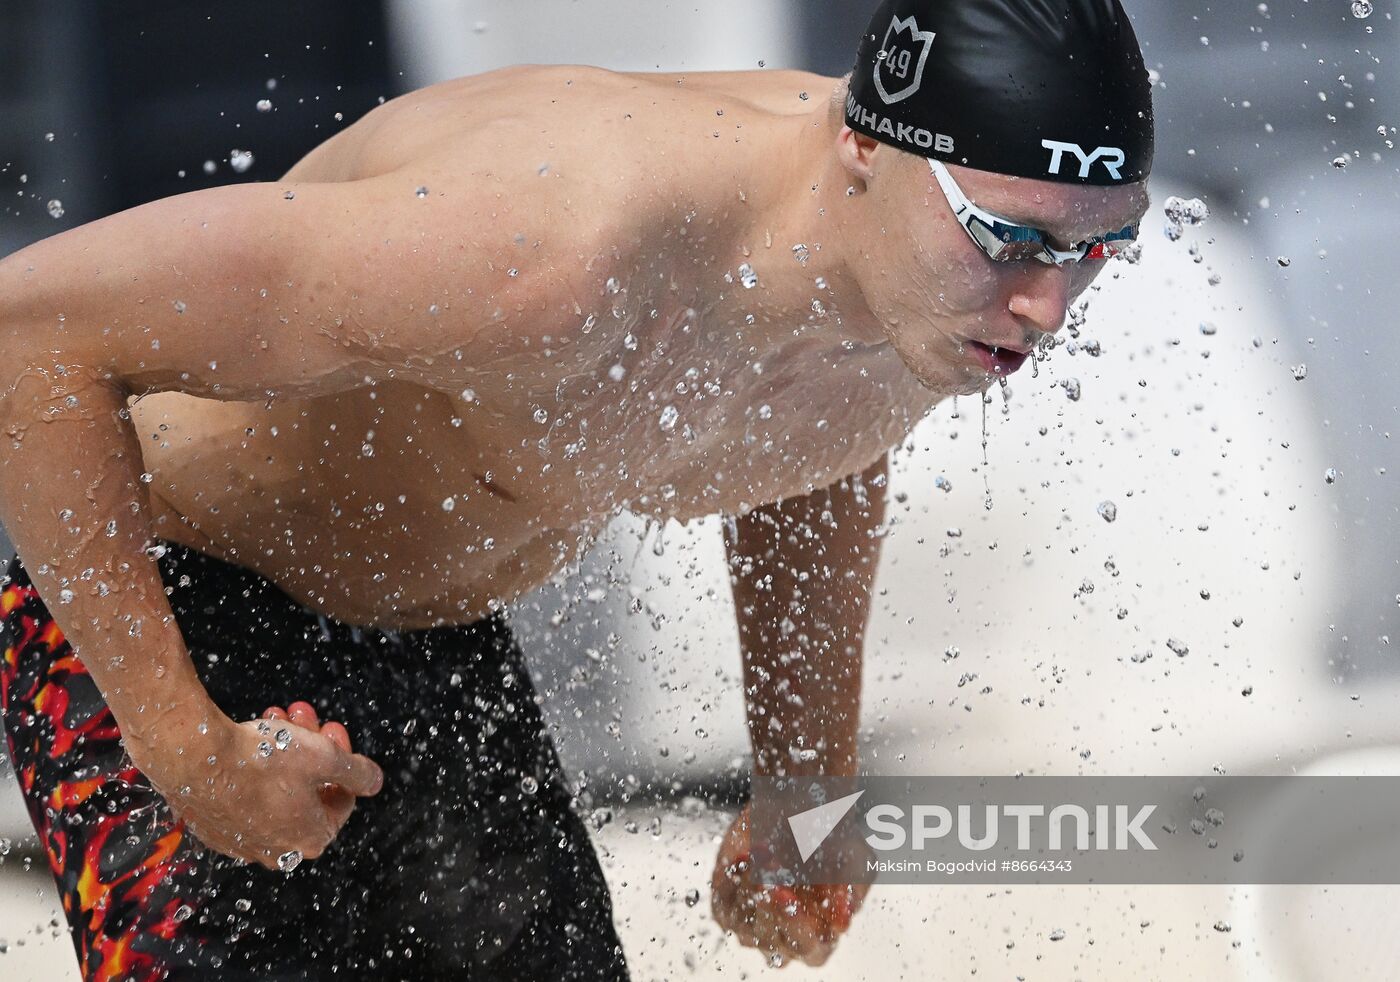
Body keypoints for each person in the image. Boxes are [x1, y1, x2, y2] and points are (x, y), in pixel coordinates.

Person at [0, 0, 1153, 977]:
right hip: (173, 612)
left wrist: (804, 798)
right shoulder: (544, 244)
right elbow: (31, 336)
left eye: (1094, 250)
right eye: (1006, 238)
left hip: (441, 652)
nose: (1043, 308)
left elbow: (813, 449)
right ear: (866, 148)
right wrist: (188, 750)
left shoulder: (917, 286)